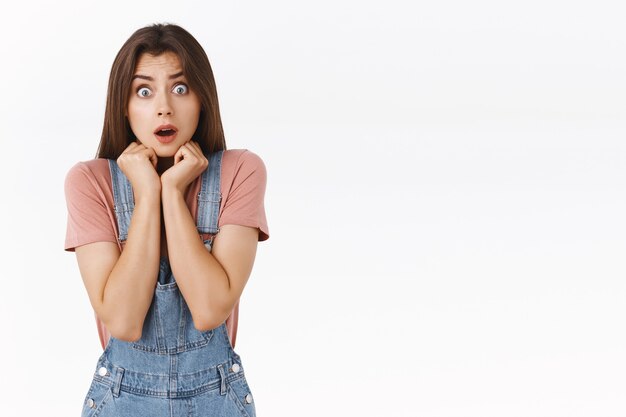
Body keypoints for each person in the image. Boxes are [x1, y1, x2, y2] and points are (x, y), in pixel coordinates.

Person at [64, 23, 268, 416]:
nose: (164, 107)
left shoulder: (241, 171)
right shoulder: (90, 182)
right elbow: (124, 320)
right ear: (123, 105)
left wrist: (173, 193)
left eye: (180, 88)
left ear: (202, 99)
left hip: (216, 401)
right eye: (144, 91)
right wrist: (147, 193)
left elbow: (210, 309)